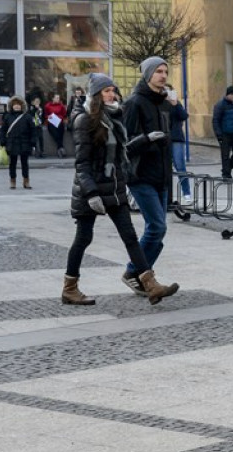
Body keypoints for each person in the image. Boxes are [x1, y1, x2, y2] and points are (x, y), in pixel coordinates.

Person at [63, 73, 179, 306]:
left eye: (113, 90)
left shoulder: (114, 117)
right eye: (106, 91)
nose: (111, 94)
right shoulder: (84, 120)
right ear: (95, 94)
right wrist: (92, 193)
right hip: (92, 190)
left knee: (130, 238)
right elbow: (82, 164)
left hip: (114, 188)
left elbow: (121, 152)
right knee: (83, 238)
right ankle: (70, 288)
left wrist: (145, 139)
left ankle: (150, 284)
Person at [120, 56, 176, 297]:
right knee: (156, 226)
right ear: (147, 75)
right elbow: (125, 144)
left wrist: (176, 105)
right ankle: (135, 271)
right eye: (158, 72)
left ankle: (141, 275)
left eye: (165, 71)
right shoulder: (134, 102)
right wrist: (146, 138)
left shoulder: (163, 102)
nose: (163, 76)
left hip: (161, 174)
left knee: (159, 231)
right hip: (140, 174)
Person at [0, 96, 35, 190]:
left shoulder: (27, 116)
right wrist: (2, 140)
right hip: (12, 142)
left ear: (22, 106)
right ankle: (12, 181)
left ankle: (26, 181)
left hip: (24, 142)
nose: (17, 107)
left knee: (25, 163)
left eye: (18, 105)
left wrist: (33, 141)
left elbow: (33, 130)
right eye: (15, 105)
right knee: (12, 163)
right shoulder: (7, 116)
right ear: (11, 106)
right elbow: (3, 130)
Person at [212, 85, 233, 179]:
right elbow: (215, 120)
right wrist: (218, 135)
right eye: (232, 94)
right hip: (225, 134)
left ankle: (228, 168)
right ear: (227, 95)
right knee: (225, 155)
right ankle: (226, 175)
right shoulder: (220, 105)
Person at [167, 85, 192, 206]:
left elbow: (184, 116)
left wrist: (175, 104)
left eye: (168, 91)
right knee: (164, 168)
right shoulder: (158, 104)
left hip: (176, 138)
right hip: (162, 139)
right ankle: (166, 195)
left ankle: (187, 193)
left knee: (180, 166)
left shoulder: (176, 103)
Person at [44, 92, 68, 158]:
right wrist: (48, 117)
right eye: (57, 98)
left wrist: (62, 118)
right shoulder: (47, 106)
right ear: (53, 98)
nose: (58, 99)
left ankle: (60, 149)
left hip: (60, 121)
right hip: (51, 122)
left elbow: (64, 114)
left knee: (60, 131)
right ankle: (61, 148)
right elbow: (45, 115)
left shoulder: (61, 106)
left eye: (59, 98)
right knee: (55, 134)